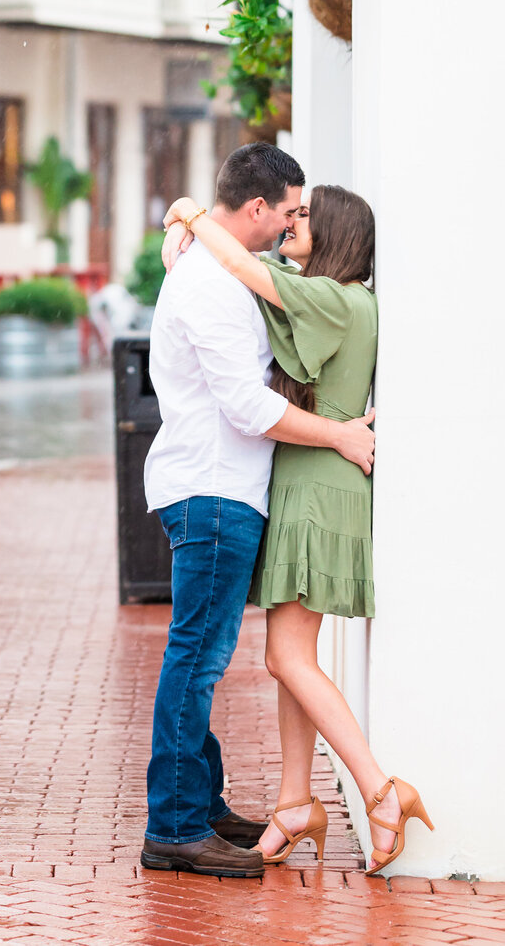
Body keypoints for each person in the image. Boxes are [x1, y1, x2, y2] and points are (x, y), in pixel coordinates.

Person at [160, 181, 431, 875]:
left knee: (286, 657)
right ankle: (293, 801)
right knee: (295, 657)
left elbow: (244, 268)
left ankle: (378, 787)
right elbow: (218, 272)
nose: (292, 222)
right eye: (291, 209)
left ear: (336, 231)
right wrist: (180, 235)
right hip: (307, 478)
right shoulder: (322, 296)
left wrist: (190, 211)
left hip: (317, 480)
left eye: (306, 215)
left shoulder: (339, 299)